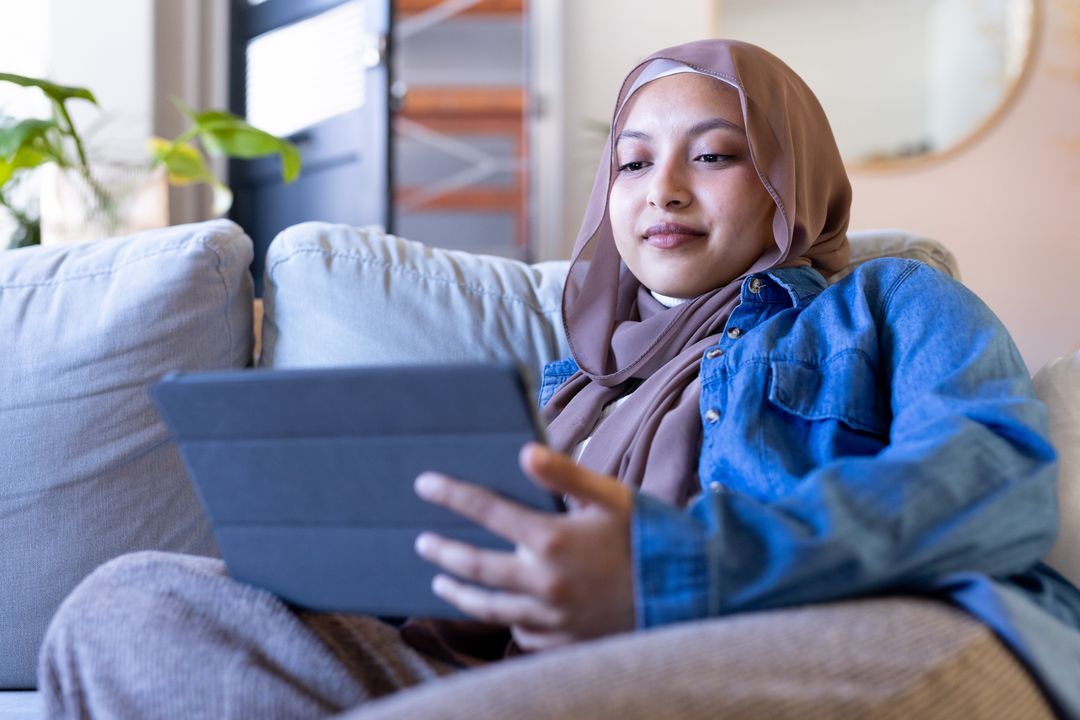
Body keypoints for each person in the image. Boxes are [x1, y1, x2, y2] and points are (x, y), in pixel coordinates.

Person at [38, 39, 1080, 719]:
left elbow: (999, 482)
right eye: (632, 163)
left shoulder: (894, 303)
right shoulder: (570, 388)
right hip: (523, 674)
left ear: (787, 184)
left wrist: (664, 572)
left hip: (843, 632)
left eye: (714, 156)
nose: (662, 188)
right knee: (129, 603)